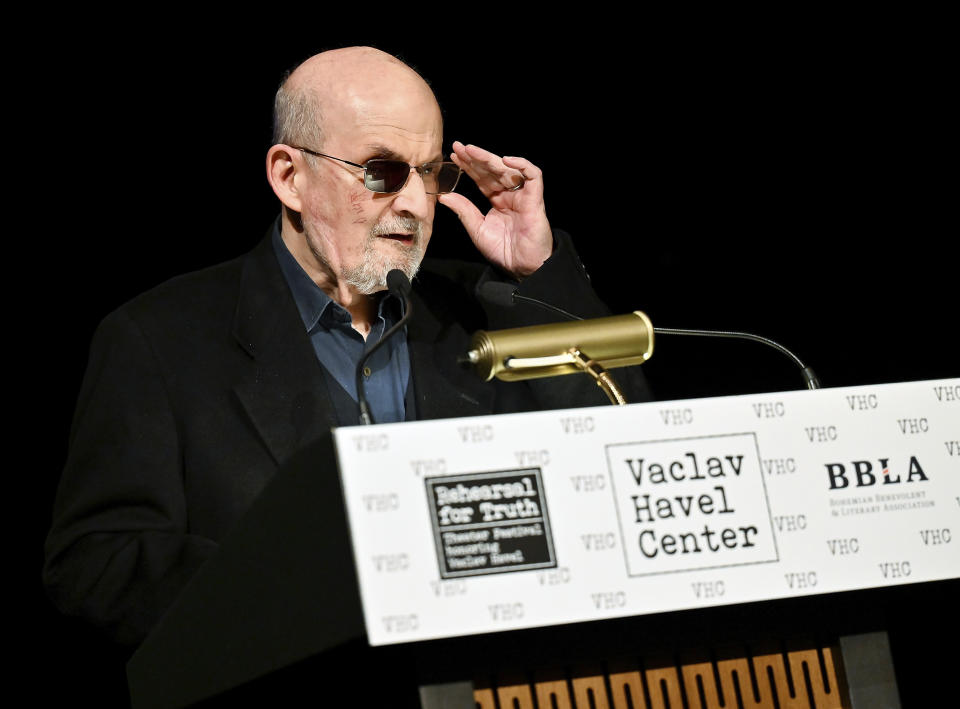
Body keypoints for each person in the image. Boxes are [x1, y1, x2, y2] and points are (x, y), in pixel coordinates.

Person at [44, 47, 651, 650]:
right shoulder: (159, 338)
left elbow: (633, 474)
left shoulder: (489, 311)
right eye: (382, 171)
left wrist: (539, 275)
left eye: (432, 173)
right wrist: (315, 593)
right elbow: (101, 563)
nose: (416, 202)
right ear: (289, 177)